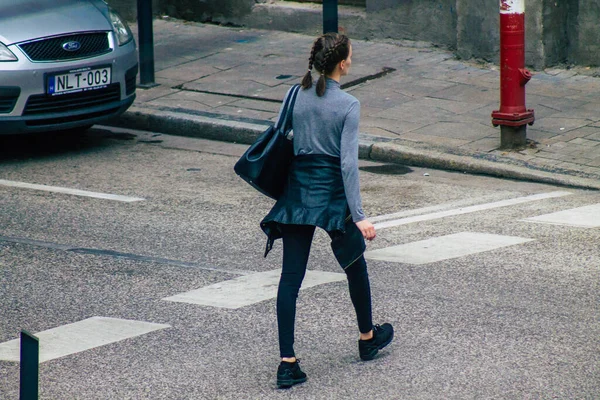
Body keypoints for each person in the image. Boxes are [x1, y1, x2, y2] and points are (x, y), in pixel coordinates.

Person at [260, 32, 394, 389]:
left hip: (299, 191)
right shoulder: (348, 104)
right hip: (333, 194)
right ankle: (367, 339)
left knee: (291, 278)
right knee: (354, 264)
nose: (352, 58)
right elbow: (348, 165)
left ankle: (287, 363)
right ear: (342, 63)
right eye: (351, 54)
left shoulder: (294, 94)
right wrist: (360, 214)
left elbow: (279, 135)